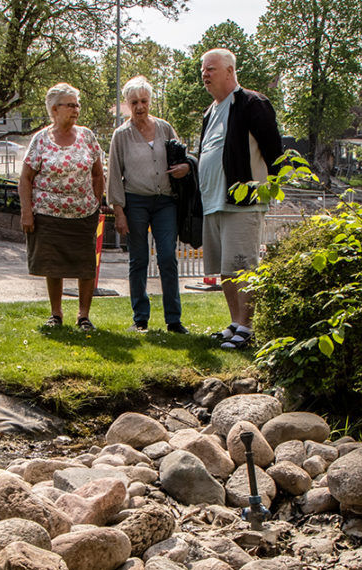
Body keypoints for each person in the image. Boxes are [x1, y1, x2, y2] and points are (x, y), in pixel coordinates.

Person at [198, 48, 283, 349]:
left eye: (211, 69)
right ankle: (235, 321)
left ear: (230, 71)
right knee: (225, 269)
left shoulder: (251, 103)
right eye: (203, 70)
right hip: (214, 202)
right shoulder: (210, 111)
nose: (204, 74)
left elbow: (274, 149)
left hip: (242, 201)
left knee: (243, 265)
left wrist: (272, 187)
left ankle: (247, 327)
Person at [18, 83, 105, 331]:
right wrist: (27, 211)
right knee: (52, 264)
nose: (76, 109)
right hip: (48, 213)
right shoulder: (41, 139)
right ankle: (56, 314)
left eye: (77, 105)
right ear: (55, 109)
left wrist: (96, 202)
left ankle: (83, 316)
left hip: (83, 213)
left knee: (85, 265)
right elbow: (25, 178)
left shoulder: (87, 136)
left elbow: (98, 174)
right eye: (70, 105)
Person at [107, 75, 191, 334]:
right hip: (135, 201)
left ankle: (173, 320)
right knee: (139, 259)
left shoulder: (165, 128)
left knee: (167, 257)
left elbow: (182, 158)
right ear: (127, 104)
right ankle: (140, 318)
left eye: (144, 101)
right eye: (134, 102)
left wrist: (185, 168)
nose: (140, 107)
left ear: (150, 101)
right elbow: (113, 176)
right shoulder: (121, 135)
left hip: (165, 200)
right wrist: (119, 211)